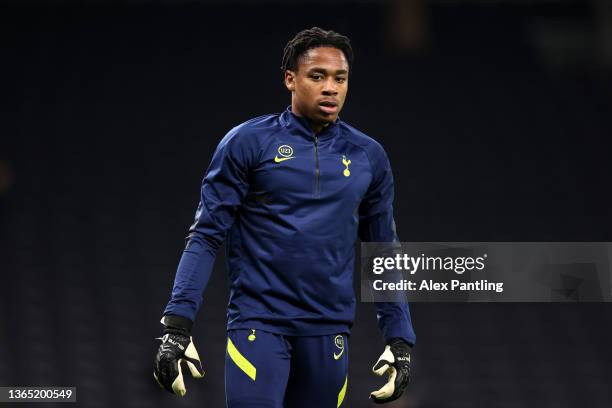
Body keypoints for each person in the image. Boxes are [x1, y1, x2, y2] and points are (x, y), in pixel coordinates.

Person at [153, 27, 416, 407]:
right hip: (259, 325)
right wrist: (176, 326)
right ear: (290, 80)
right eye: (317, 76)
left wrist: (400, 339)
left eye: (339, 78)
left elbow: (382, 251)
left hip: (329, 332)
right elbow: (206, 235)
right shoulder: (247, 143)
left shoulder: (368, 156)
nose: (331, 88)